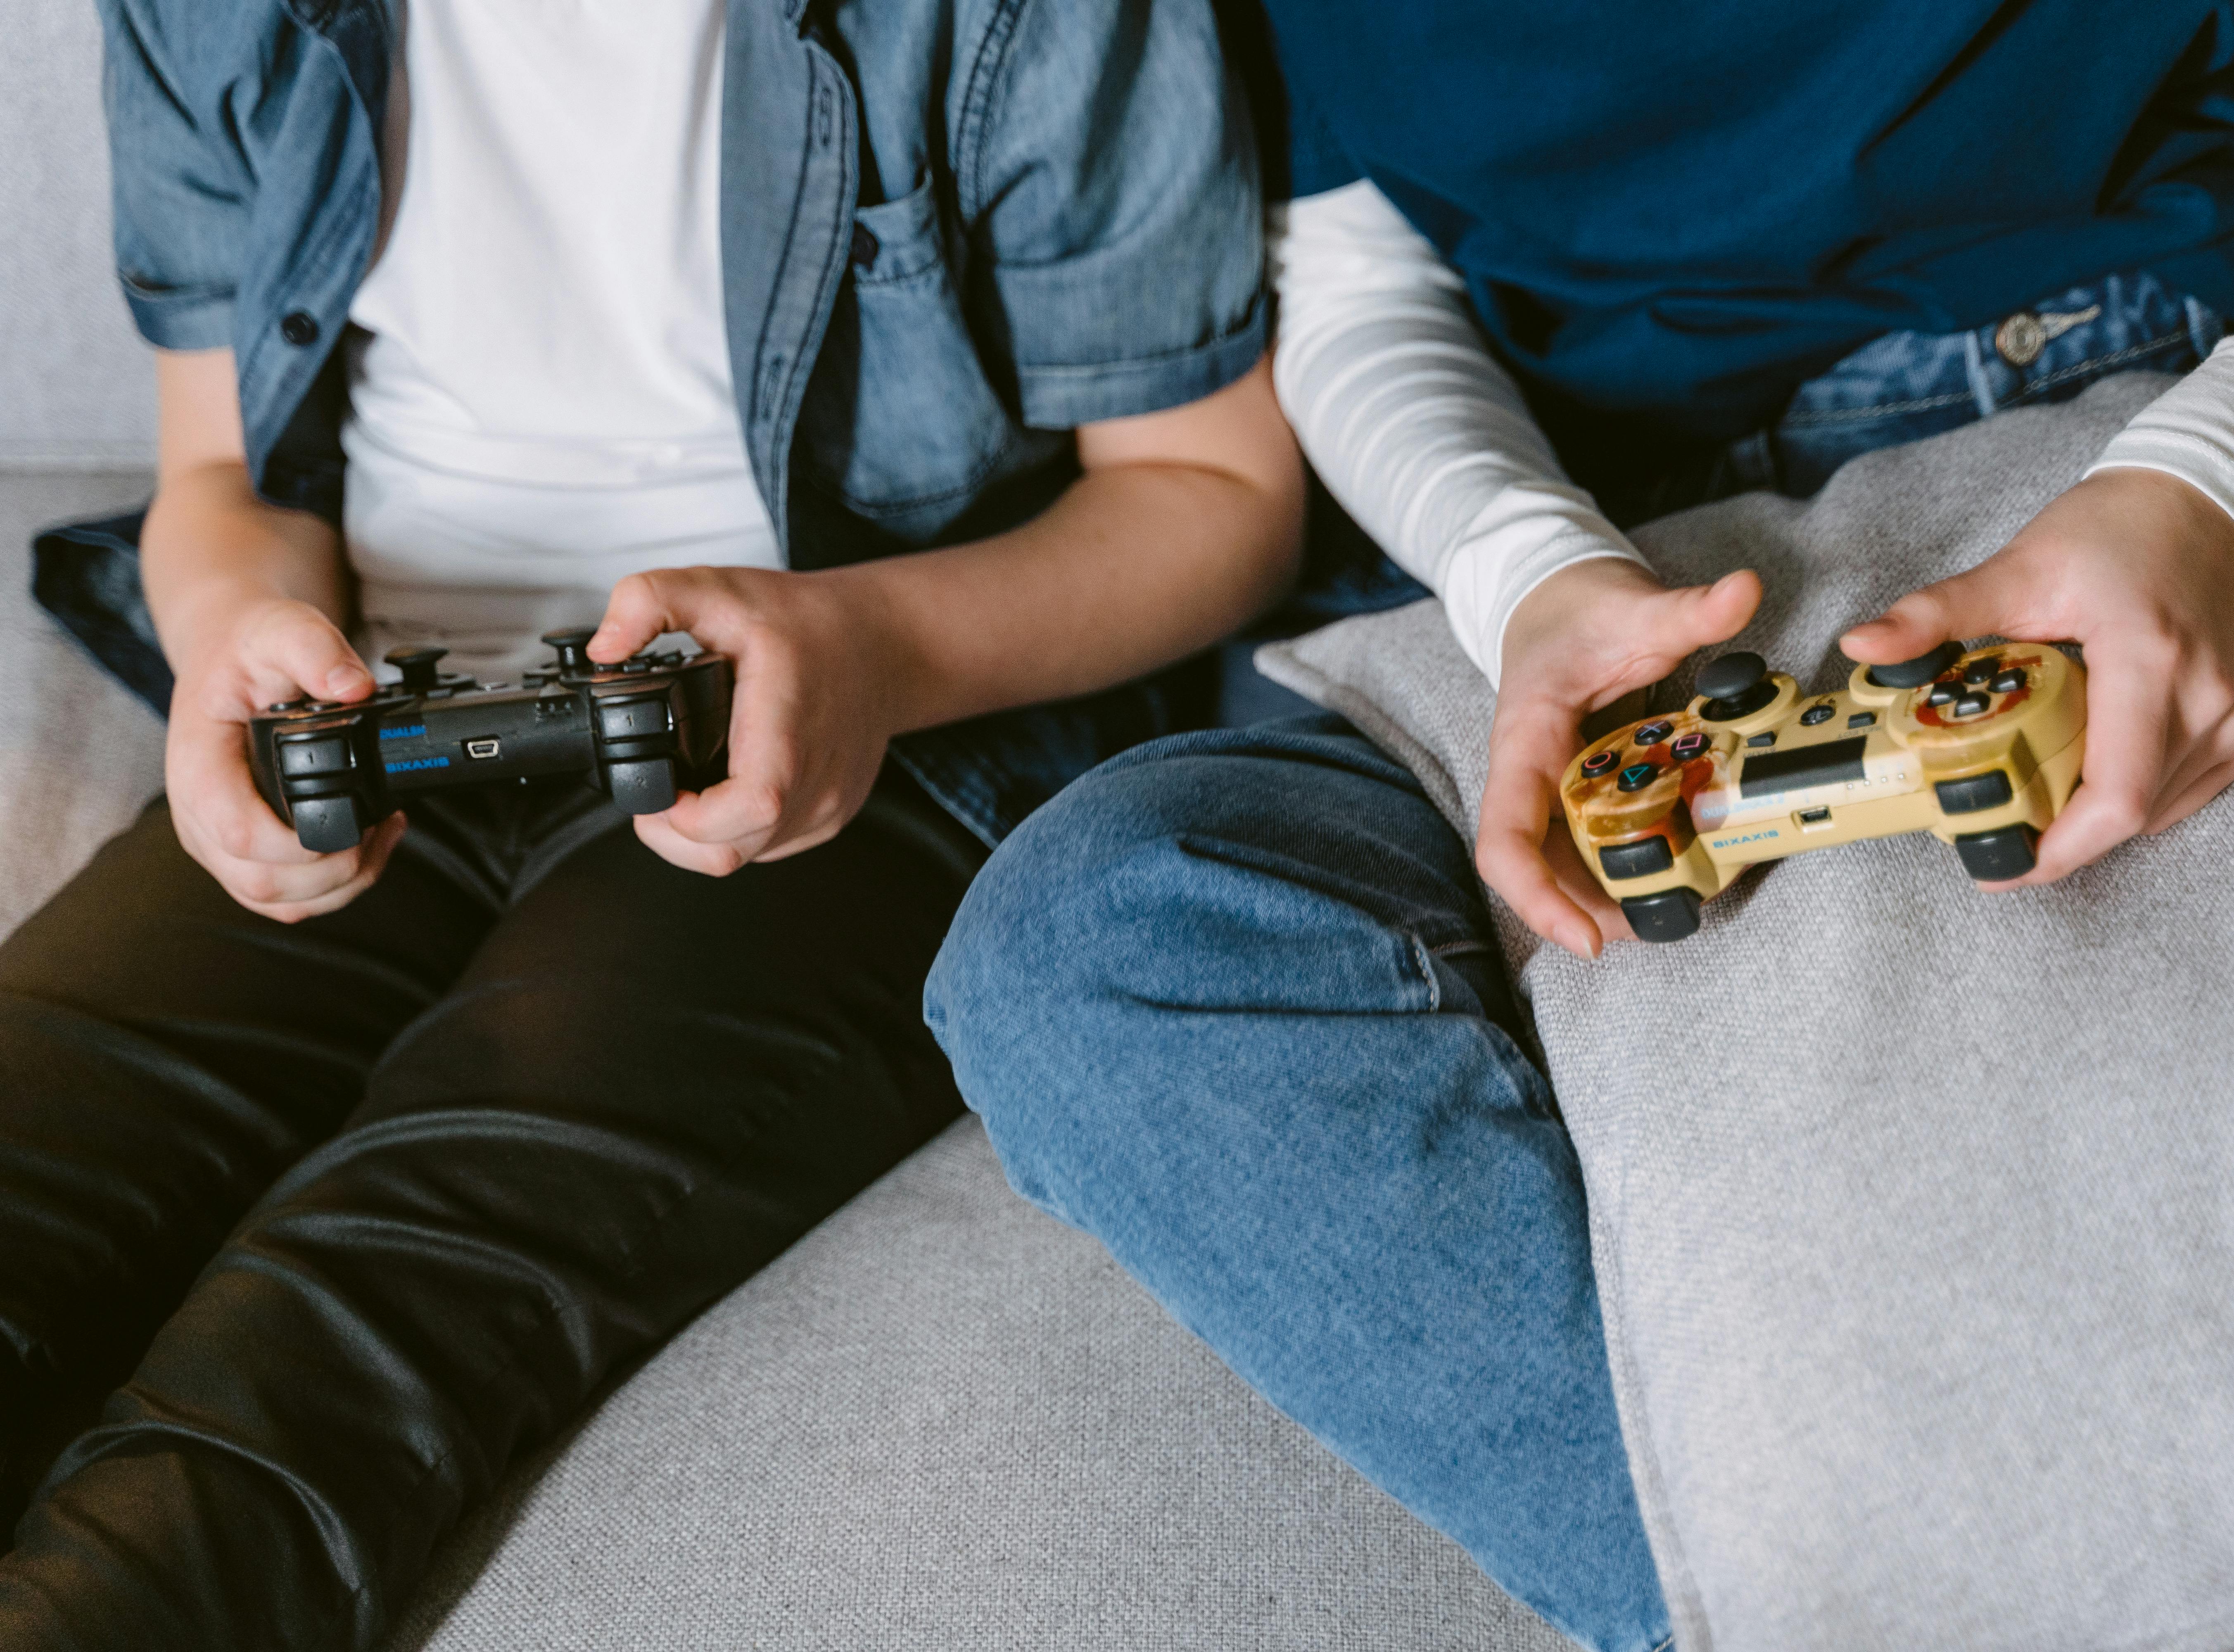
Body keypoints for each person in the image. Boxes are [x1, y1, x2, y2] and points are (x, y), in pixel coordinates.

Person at [926, 2, 2234, 1647]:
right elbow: (1358, 279)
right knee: (1088, 937)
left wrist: (2231, 480)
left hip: (2208, 405)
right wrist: (1527, 575)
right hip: (1600, 558)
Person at [0, 0, 1299, 1646]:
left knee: (311, 1369)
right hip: (370, 697)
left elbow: (1219, 494)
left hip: (855, 733)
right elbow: (218, 475)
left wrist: (874, 656)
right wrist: (229, 637)